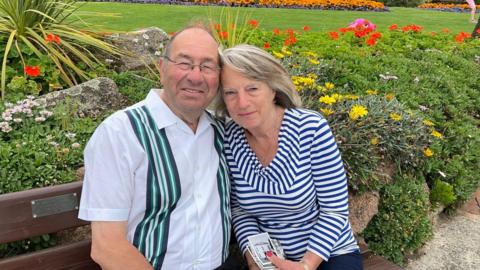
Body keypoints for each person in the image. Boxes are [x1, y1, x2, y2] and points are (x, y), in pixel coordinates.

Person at [78, 23, 232, 270]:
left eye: (207, 66)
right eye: (184, 63)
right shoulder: (120, 133)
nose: (195, 76)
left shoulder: (221, 131)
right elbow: (107, 247)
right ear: (162, 68)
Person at [216, 45, 362, 270]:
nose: (242, 103)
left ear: (274, 89)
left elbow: (334, 211)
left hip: (328, 253)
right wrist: (254, 257)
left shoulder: (310, 128)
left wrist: (306, 265)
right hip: (272, 260)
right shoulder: (229, 136)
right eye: (230, 93)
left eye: (252, 88)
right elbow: (240, 210)